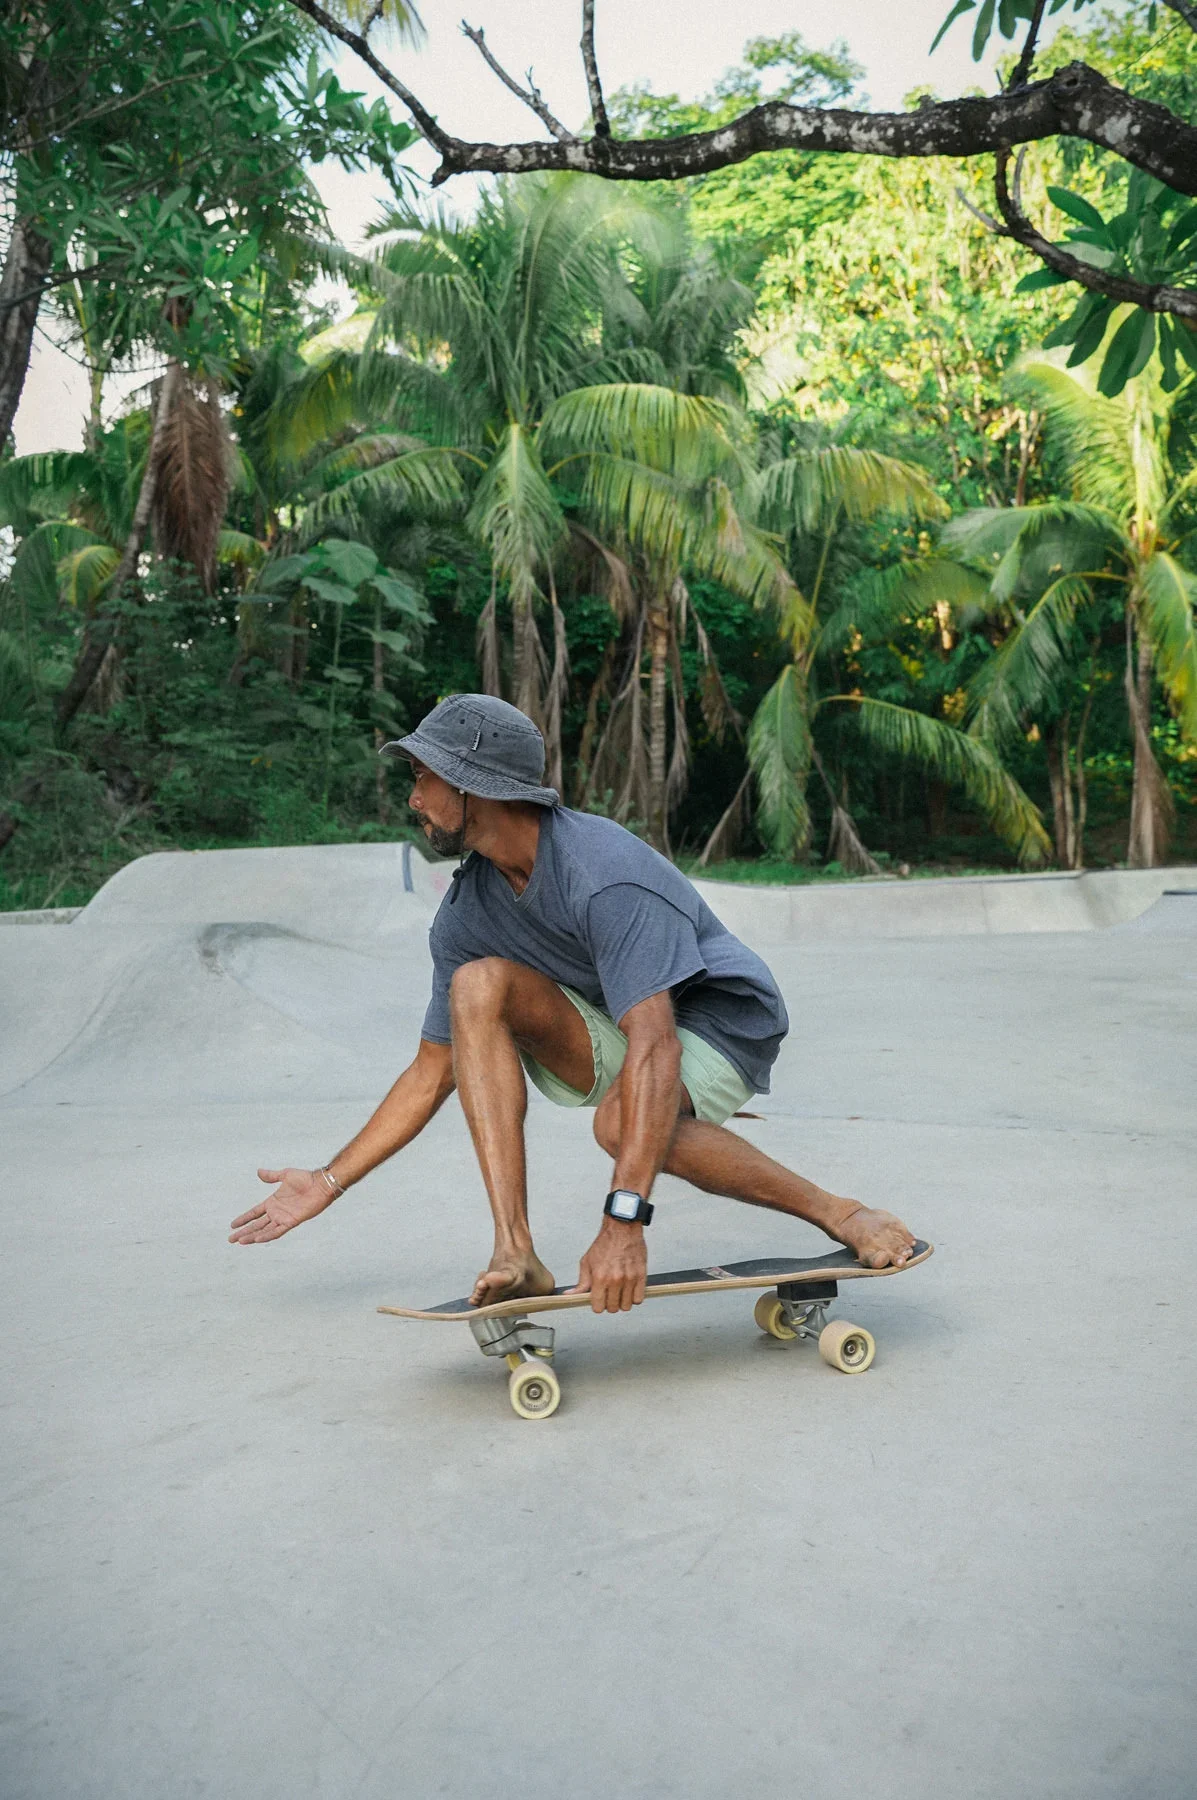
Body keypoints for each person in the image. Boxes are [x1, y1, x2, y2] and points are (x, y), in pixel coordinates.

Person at [229, 695, 917, 1312]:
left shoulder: (602, 874)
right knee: (478, 985)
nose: (414, 799)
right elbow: (430, 1070)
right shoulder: (467, 911)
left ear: (475, 786)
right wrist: (327, 1180)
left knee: (622, 1127)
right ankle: (514, 1250)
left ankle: (840, 1212)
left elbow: (656, 1045)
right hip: (612, 1024)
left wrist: (623, 1226)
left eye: (422, 777)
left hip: (716, 1021)